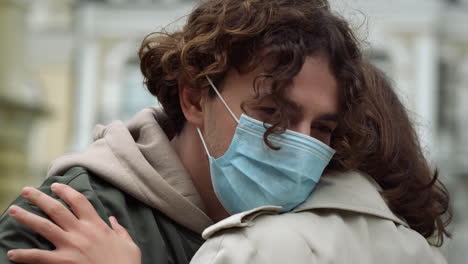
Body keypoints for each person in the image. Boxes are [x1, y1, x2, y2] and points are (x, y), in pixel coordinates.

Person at [0, 0, 451, 263]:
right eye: (271, 112)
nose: (300, 145)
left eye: (322, 128)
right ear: (195, 99)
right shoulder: (77, 218)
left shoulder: (305, 231)